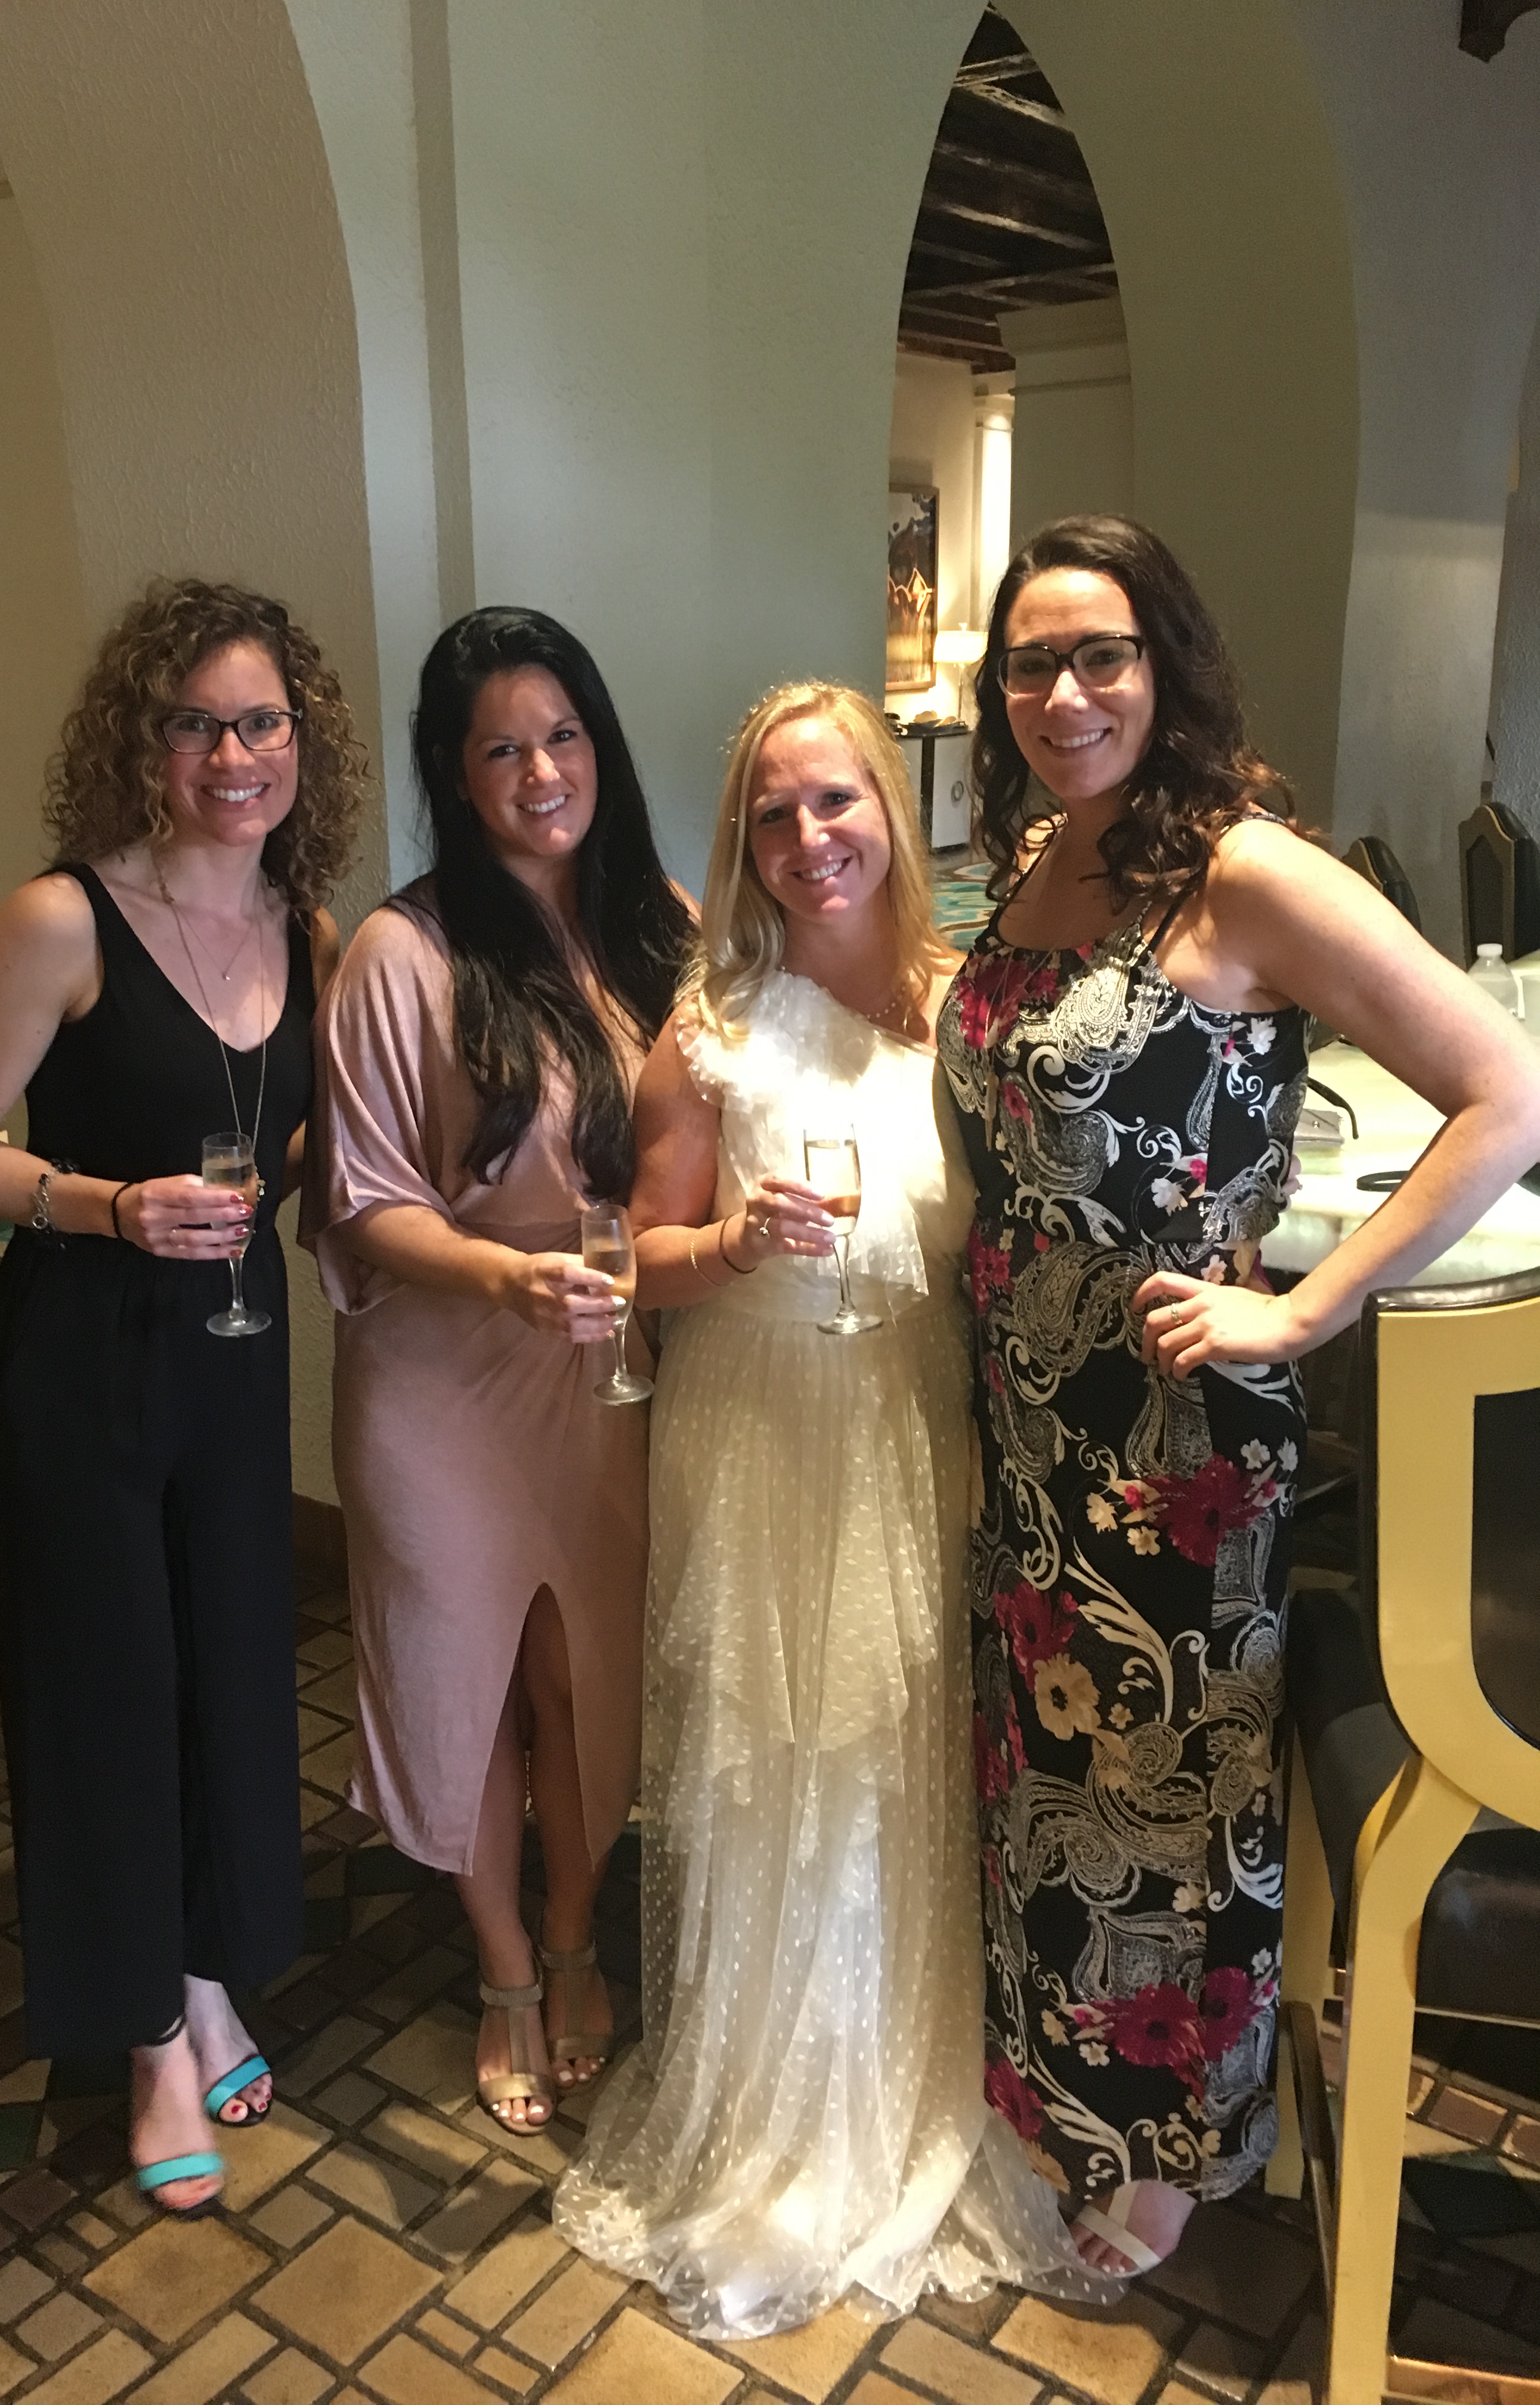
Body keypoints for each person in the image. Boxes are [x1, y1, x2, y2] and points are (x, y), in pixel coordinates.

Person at [937, 514, 1540, 2281]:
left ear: (1166, 666)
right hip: (1030, 1422)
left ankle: (1180, 2148)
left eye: (1101, 655)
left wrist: (1312, 1307)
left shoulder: (1245, 872)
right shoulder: (1040, 857)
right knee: (1052, 1773)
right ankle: (1068, 2093)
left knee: (1173, 1797)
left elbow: (1508, 1095)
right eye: (1031, 663)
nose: (1064, 692)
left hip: (1177, 1439)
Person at [555, 683, 1106, 2337]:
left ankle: (901, 2081)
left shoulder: (969, 1007)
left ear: (892, 807)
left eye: (836, 801)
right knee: (764, 1759)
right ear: (745, 844)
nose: (809, 839)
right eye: (774, 815)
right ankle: (769, 2116)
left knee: (896, 1748)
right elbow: (637, 1256)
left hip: (913, 1420)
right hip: (754, 1429)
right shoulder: (712, 1027)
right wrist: (731, 1246)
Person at [0, 578, 358, 2217]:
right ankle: (152, 2027)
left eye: (262, 723)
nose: (234, 757)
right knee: (109, 1686)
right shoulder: (61, 919)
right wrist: (107, 1204)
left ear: (300, 741)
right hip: (81, 1353)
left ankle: (214, 1965)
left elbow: (298, 1140)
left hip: (233, 1352)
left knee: (230, 1662)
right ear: (140, 741)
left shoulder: (308, 927)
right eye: (195, 725)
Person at [300, 605, 695, 2132]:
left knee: (580, 1673)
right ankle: (507, 1965)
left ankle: (579, 1930)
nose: (542, 774)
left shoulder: (658, 926)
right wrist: (504, 1275)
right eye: (502, 751)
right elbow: (364, 1198)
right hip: (441, 1375)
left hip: (603, 1370)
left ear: (601, 744)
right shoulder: (403, 952)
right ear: (454, 777)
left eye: (564, 737)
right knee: (462, 1677)